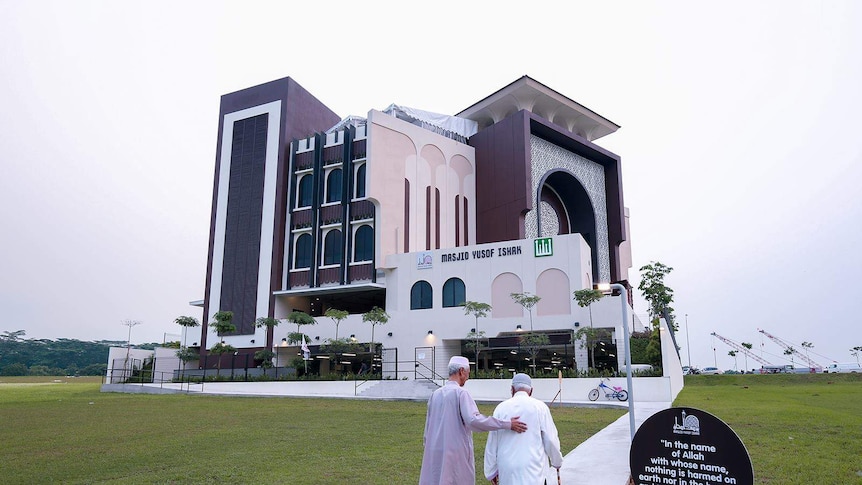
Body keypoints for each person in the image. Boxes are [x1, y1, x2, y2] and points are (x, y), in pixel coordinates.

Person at [419, 356, 528, 485]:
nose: (468, 377)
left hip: (435, 450)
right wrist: (507, 424)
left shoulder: (435, 395)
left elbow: (427, 430)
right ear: (461, 371)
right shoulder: (461, 394)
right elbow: (474, 421)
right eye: (468, 373)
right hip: (455, 453)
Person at [484, 373, 563, 485]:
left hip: (508, 472)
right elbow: (550, 439)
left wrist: (491, 471)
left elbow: (492, 442)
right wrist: (557, 461)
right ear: (531, 391)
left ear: (512, 389)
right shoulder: (540, 407)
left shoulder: (500, 409)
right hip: (535, 472)